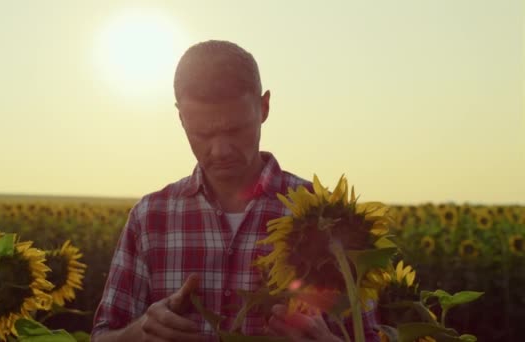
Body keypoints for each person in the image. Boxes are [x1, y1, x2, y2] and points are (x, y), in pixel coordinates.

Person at [91, 40, 379, 342]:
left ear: (264, 107)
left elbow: (370, 334)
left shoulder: (329, 219)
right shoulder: (150, 218)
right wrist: (140, 332)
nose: (220, 150)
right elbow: (102, 336)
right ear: (180, 118)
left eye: (235, 130)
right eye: (202, 133)